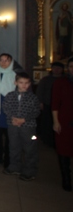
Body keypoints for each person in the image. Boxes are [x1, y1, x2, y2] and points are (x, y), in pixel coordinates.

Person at [1, 72, 41, 181]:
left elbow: (36, 111)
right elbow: (5, 107)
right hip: (13, 125)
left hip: (28, 126)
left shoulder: (33, 98)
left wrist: (24, 119)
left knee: (30, 148)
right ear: (16, 83)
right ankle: (15, 166)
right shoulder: (10, 95)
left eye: (26, 83)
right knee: (14, 146)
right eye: (21, 82)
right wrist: (13, 118)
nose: (24, 85)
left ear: (30, 84)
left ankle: (29, 170)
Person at [52, 57, 73, 191]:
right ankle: (66, 178)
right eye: (71, 66)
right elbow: (55, 104)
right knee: (64, 149)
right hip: (65, 119)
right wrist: (56, 121)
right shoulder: (61, 83)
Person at [36, 61, 64, 148]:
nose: (56, 70)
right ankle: (47, 139)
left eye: (59, 68)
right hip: (48, 104)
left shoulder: (65, 79)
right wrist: (40, 102)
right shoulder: (46, 79)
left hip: (62, 106)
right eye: (55, 68)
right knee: (47, 123)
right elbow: (40, 91)